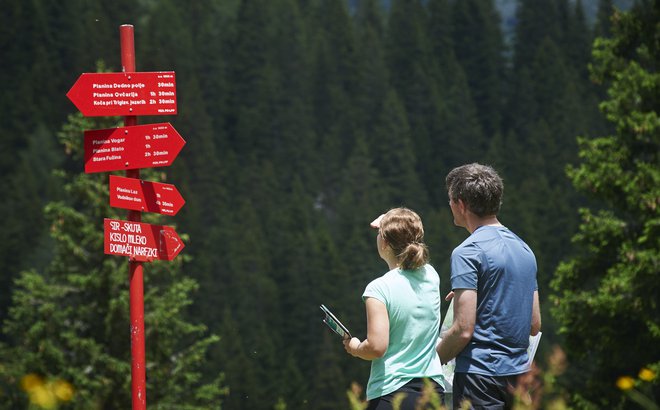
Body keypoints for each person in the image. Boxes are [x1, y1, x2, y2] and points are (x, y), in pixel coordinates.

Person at [436, 163, 542, 409]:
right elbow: (534, 324)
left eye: (451, 200)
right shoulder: (525, 250)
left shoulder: (467, 251)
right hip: (519, 378)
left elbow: (463, 329)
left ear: (461, 204)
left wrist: (430, 363)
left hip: (479, 378)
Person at [344, 207, 445, 410]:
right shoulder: (431, 276)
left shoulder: (378, 289)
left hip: (392, 394)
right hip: (432, 392)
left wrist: (354, 348)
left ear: (385, 243)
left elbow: (376, 347)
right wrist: (391, 222)